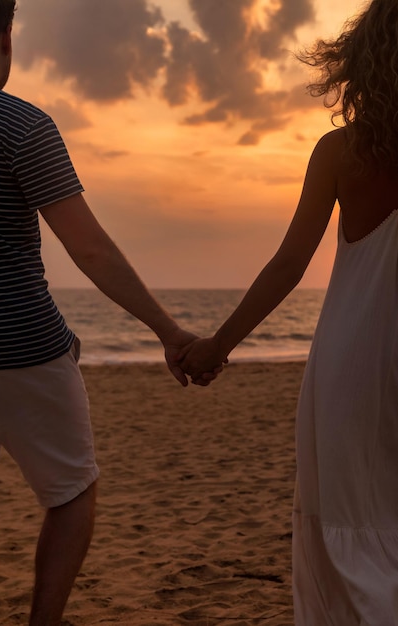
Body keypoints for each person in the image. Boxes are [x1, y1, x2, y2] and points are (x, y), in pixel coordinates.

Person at [0, 2, 219, 625]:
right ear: (5, 38)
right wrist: (170, 333)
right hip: (23, 351)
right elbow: (87, 247)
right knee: (72, 492)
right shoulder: (21, 125)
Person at [179, 1, 398, 623]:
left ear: (361, 63)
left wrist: (214, 346)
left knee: (352, 518)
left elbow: (287, 266)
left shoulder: (339, 152)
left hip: (353, 358)